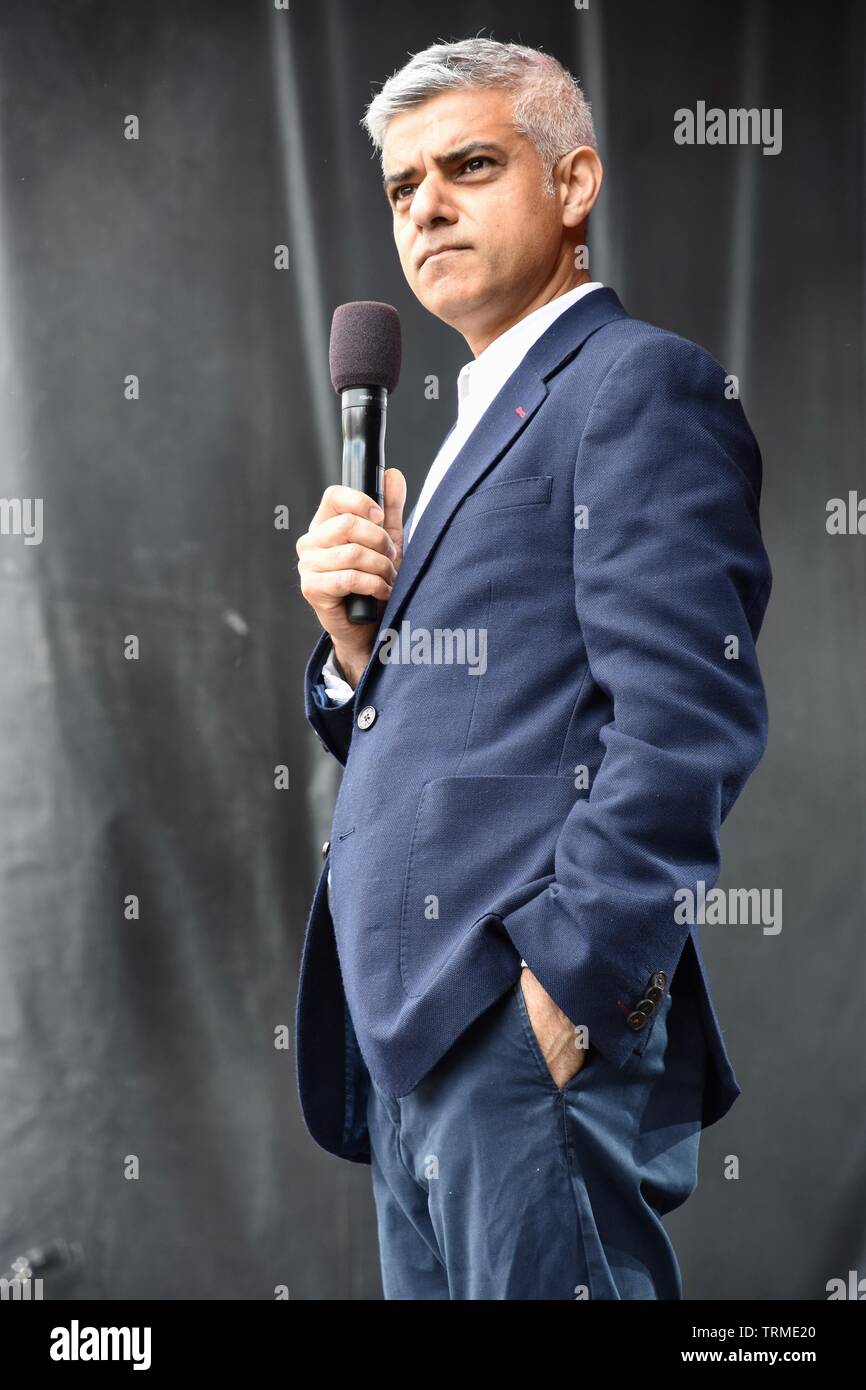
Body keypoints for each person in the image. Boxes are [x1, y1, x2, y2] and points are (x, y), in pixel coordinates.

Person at [294, 37, 772, 1300]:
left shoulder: (634, 386)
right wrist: (354, 658)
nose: (426, 206)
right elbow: (457, 727)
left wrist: (568, 987)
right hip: (407, 1050)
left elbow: (684, 713)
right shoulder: (464, 428)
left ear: (572, 186)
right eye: (402, 187)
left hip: (517, 1025)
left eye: (468, 165)